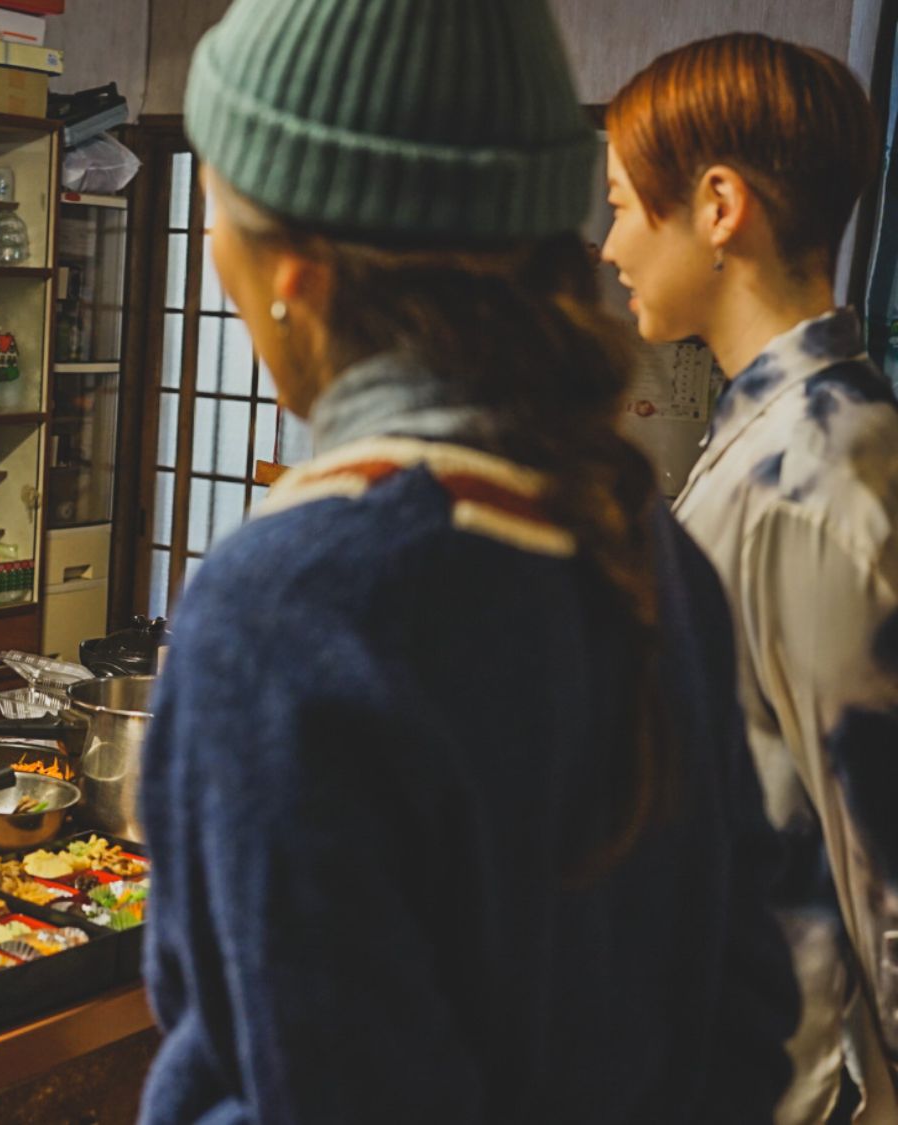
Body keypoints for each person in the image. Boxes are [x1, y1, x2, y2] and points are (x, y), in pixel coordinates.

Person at [139, 1, 800, 1121]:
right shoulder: (639, 539)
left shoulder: (282, 605)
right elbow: (744, 1013)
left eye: (215, 199)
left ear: (295, 264)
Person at [602, 34, 898, 1123]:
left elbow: (885, 862)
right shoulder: (766, 435)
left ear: (717, 205)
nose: (607, 244)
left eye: (625, 205)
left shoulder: (816, 474)